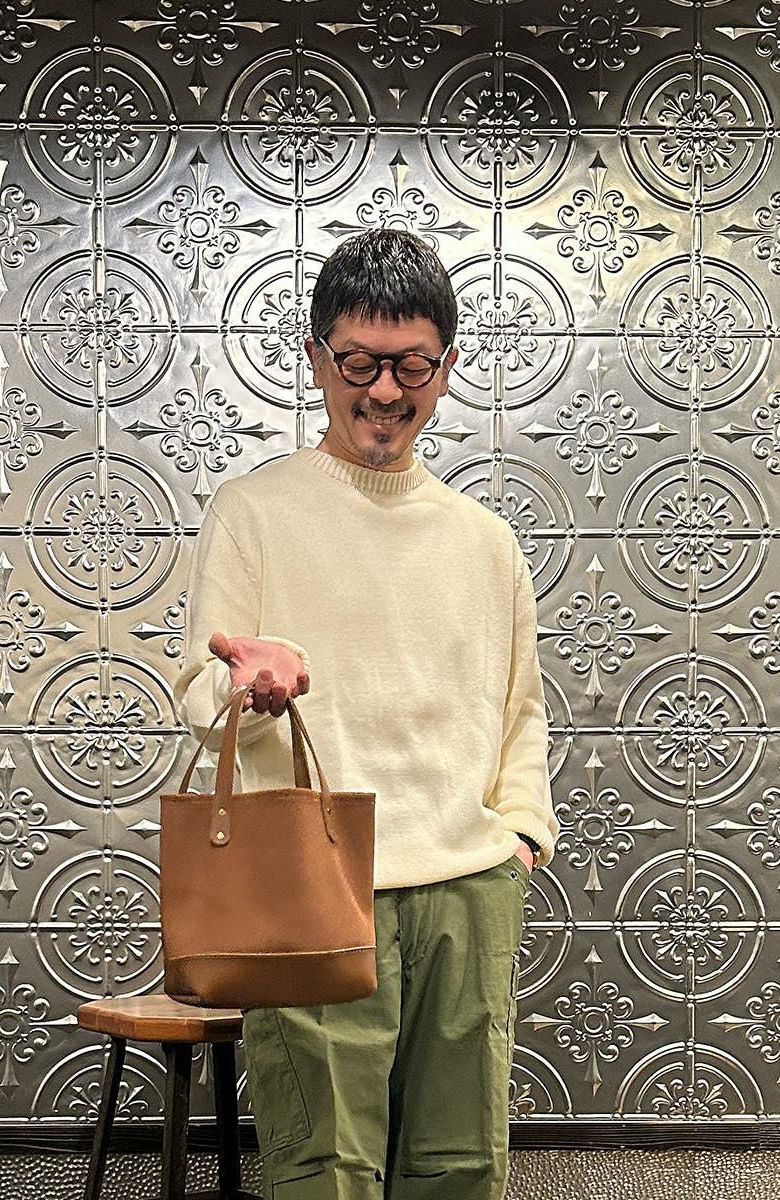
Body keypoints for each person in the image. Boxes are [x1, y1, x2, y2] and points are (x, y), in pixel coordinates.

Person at [173, 228, 558, 1200]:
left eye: (410, 365)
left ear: (446, 367)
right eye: (359, 363)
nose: (385, 391)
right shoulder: (253, 512)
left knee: (459, 1168)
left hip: (469, 885)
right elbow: (198, 694)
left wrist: (522, 837)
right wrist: (248, 689)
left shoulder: (486, 541)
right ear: (317, 359)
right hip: (314, 884)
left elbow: (521, 711)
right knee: (324, 1171)